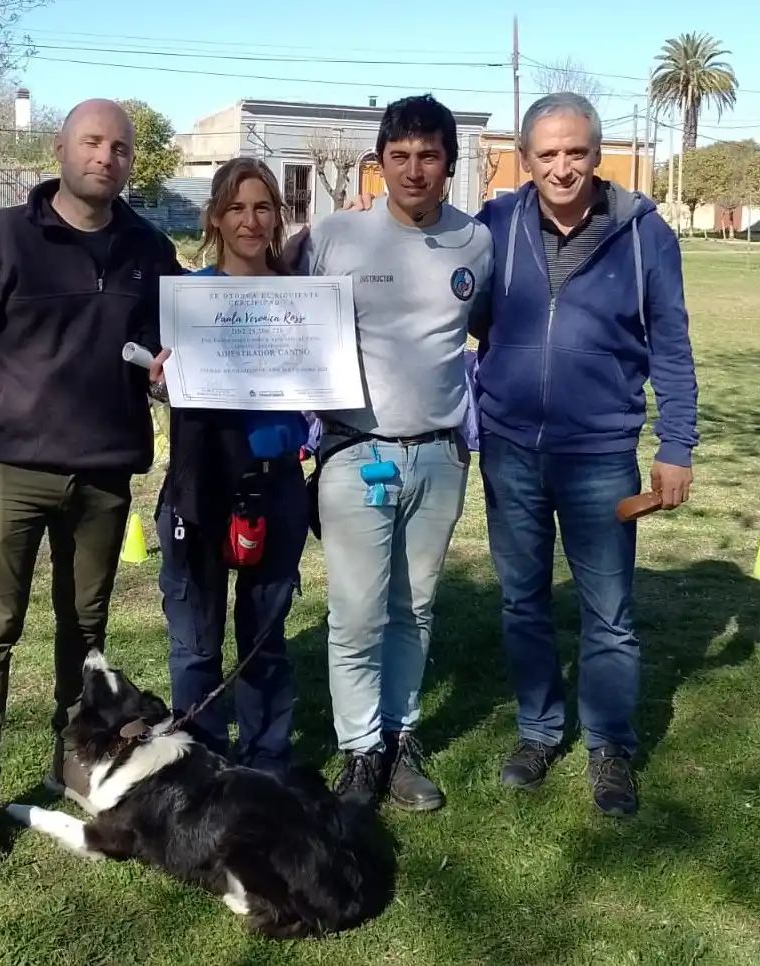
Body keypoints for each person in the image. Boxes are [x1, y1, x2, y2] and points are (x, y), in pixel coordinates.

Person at [0, 98, 184, 882]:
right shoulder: (2, 237)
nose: (106, 157)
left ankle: (72, 759)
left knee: (86, 631)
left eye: (121, 147)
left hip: (104, 474)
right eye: (92, 142)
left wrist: (171, 375)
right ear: (61, 150)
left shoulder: (150, 250)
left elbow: (179, 351)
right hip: (9, 468)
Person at [472, 92, 699, 817]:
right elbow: (453, 310)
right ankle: (538, 731)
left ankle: (609, 746)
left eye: (576, 151)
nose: (562, 167)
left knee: (609, 614)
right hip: (510, 449)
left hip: (601, 454)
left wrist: (676, 444)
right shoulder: (495, 226)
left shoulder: (644, 235)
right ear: (525, 159)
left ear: (597, 155)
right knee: (522, 602)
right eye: (547, 154)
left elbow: (671, 345)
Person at [292, 94, 493, 812]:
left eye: (428, 156)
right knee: (355, 614)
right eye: (399, 156)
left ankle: (401, 740)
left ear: (449, 163)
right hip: (355, 454)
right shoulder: (334, 235)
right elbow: (274, 308)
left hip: (438, 457)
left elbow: (491, 326)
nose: (413, 170)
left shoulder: (476, 242)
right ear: (379, 163)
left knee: (414, 609)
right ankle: (359, 751)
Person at [150, 158, 310, 779]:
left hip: (276, 484)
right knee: (196, 643)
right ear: (215, 217)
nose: (250, 220)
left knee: (265, 640)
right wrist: (160, 381)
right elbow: (162, 383)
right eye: (236, 208)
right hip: (201, 485)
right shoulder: (188, 298)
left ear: (277, 216)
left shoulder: (302, 298)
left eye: (262, 207)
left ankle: (266, 762)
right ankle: (201, 766)